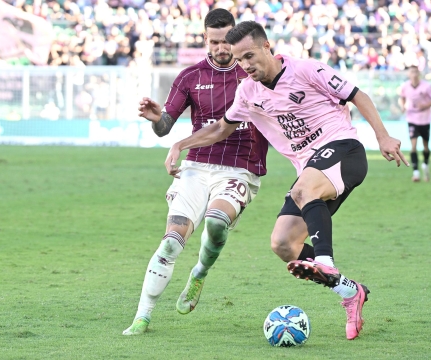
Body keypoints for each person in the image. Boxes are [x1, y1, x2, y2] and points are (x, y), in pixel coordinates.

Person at [165, 21, 408, 340]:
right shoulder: (248, 93)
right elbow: (222, 128)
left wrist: (383, 136)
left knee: (304, 189)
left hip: (344, 150)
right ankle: (350, 292)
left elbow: (356, 95)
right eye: (240, 60)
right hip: (311, 171)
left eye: (250, 56)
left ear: (267, 47)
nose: (246, 65)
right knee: (283, 244)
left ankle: (324, 261)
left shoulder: (306, 70)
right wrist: (180, 144)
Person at [122, 9, 269, 336]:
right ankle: (142, 317)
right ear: (205, 39)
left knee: (217, 223)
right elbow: (165, 128)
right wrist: (155, 117)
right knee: (172, 243)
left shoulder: (252, 74)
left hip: (240, 168)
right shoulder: (190, 77)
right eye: (214, 42)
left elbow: (232, 125)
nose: (221, 48)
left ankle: (199, 273)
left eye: (226, 41)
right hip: (196, 167)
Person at [398, 66, 431, 182]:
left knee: (426, 146)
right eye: (412, 72)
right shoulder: (405, 86)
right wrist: (402, 106)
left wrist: (425, 105)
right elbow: (402, 98)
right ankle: (415, 172)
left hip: (425, 119)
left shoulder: (427, 86)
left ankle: (425, 164)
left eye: (416, 72)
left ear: (419, 73)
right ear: (408, 74)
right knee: (413, 146)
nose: (414, 74)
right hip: (412, 119)